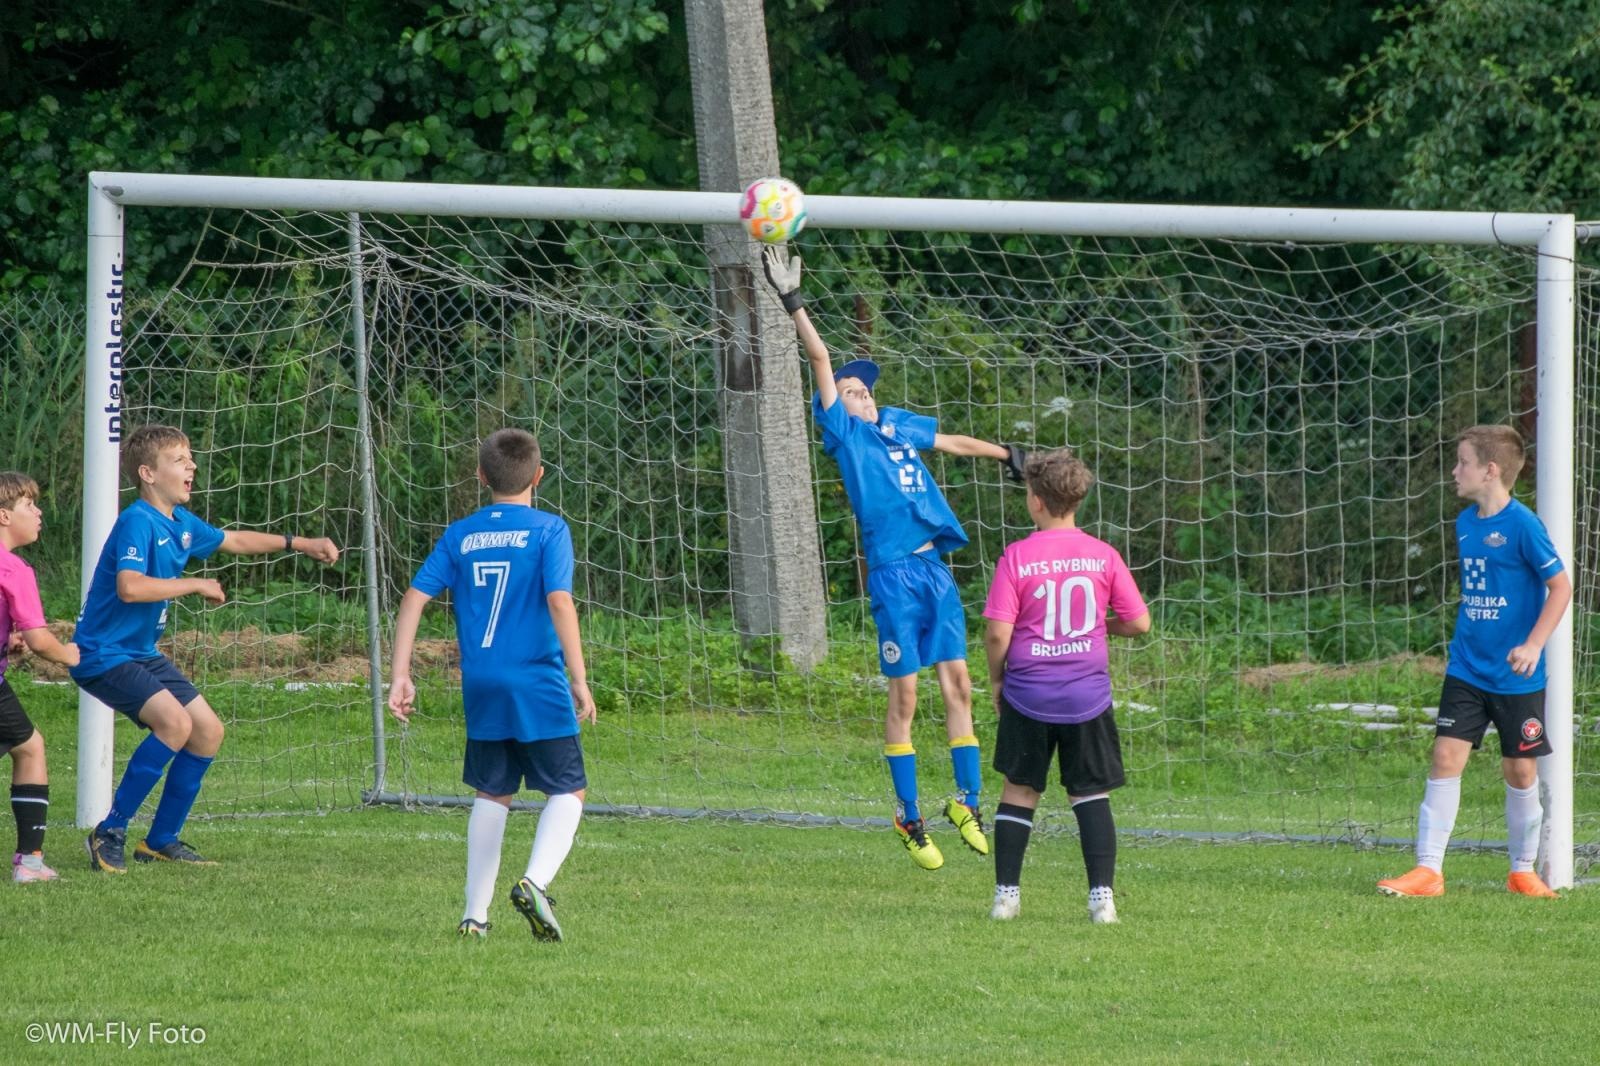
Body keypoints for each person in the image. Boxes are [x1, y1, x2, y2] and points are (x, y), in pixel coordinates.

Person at [762, 246, 1025, 871]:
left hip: (934, 569)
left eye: (866, 389)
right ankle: (907, 815)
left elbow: (954, 441)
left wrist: (1008, 456)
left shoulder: (897, 425)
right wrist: (792, 301)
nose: (862, 394)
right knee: (905, 697)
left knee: (958, 683)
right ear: (837, 407)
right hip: (894, 576)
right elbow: (820, 358)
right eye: (851, 391)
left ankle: (966, 802)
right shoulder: (846, 437)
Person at [77, 425, 340, 873]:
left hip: (139, 652)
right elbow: (129, 587)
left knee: (207, 731)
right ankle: (110, 831)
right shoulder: (138, 520)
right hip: (103, 653)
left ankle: (160, 840)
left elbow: (232, 540)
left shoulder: (180, 523)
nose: (191, 466)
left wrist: (300, 543)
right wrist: (195, 583)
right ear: (148, 473)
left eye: (190, 459)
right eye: (179, 460)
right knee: (174, 723)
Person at [388, 428, 596, 941]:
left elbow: (413, 598)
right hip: (535, 679)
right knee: (568, 788)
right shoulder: (549, 529)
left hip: (480, 682)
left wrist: (401, 674)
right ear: (539, 476)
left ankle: (474, 916)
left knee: (492, 791)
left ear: (481, 477)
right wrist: (580, 676)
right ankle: (535, 883)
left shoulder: (460, 534)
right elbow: (559, 601)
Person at [1378, 425, 1571, 898]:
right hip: (1466, 667)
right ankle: (1428, 871)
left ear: (1490, 469)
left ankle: (1522, 870)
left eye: (1462, 461)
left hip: (1515, 675)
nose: (1454, 470)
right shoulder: (1466, 522)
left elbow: (1561, 587)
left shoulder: (1523, 525)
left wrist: (1532, 645)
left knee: (1520, 771)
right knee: (1445, 756)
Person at [981, 449, 1149, 923]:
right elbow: (1139, 622)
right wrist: (1100, 627)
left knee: (1019, 791)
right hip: (1087, 696)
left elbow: (997, 632)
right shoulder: (1103, 555)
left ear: (1035, 500)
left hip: (1028, 694)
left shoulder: (1017, 556)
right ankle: (1102, 902)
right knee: (1090, 795)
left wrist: (997, 679)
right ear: (1077, 501)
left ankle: (1006, 898)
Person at [0, 473, 81, 883]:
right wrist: (68, 654)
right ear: (3, 516)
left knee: (27, 745)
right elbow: (40, 639)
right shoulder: (13, 569)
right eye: (28, 504)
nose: (38, 511)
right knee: (31, 749)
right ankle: (30, 863)